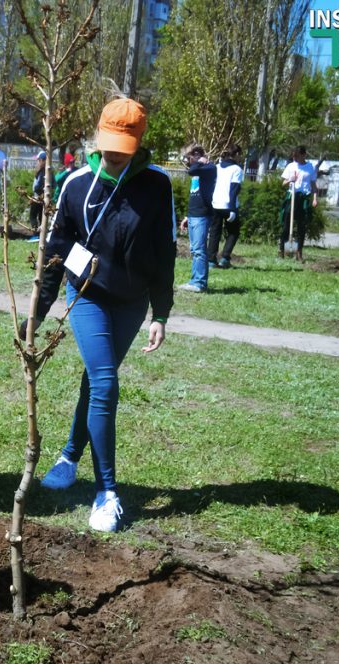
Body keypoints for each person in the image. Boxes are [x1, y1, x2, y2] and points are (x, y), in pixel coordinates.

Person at [25, 97, 175, 532]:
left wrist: (160, 313)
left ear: (139, 143)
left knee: (96, 379)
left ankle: (70, 456)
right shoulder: (76, 184)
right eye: (109, 145)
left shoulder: (157, 185)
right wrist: (38, 313)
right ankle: (107, 491)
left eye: (123, 147)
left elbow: (165, 252)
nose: (113, 155)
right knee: (106, 381)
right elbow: (56, 252)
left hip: (131, 303)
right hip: (87, 295)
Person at [178, 145, 217, 293]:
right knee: (194, 249)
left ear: (197, 155)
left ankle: (199, 283)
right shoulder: (200, 168)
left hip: (202, 214)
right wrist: (187, 216)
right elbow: (194, 194)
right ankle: (194, 281)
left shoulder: (209, 168)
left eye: (189, 157)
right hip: (194, 214)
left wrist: (200, 161)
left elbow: (192, 170)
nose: (188, 161)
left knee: (200, 250)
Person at [209, 143, 244, 269]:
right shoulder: (237, 170)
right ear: (237, 154)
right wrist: (232, 210)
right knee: (234, 232)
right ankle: (225, 258)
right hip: (228, 205)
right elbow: (234, 190)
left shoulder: (217, 167)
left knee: (214, 232)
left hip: (215, 203)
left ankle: (211, 260)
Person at [280, 145, 317, 262]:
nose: (295, 158)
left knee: (302, 226)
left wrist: (315, 198)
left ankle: (299, 252)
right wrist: (290, 180)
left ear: (304, 155)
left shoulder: (310, 167)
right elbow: (283, 184)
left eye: (297, 156)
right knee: (286, 225)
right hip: (292, 196)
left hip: (304, 198)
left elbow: (313, 184)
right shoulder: (291, 166)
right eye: (294, 156)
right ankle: (282, 250)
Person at [29, 150, 47, 234]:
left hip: (37, 197)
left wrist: (37, 192)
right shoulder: (49, 171)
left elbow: (36, 186)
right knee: (41, 216)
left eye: (38, 160)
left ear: (42, 160)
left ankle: (35, 231)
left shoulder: (40, 172)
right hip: (45, 198)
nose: (37, 161)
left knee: (32, 216)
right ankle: (41, 233)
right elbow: (54, 184)